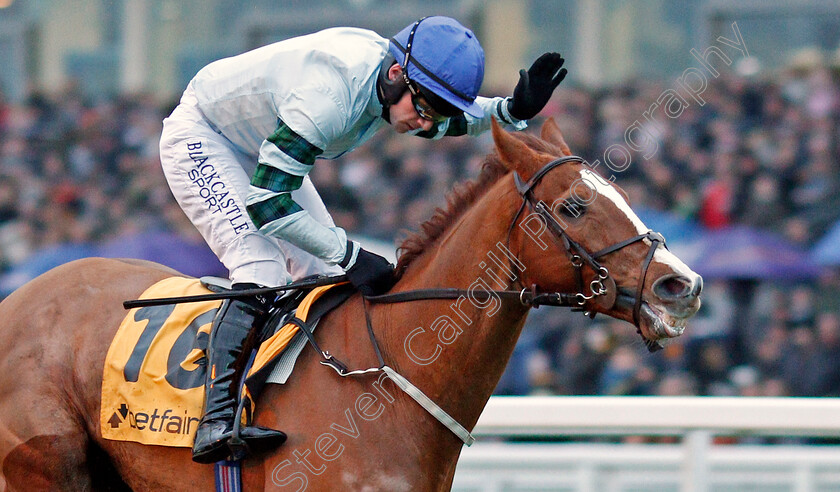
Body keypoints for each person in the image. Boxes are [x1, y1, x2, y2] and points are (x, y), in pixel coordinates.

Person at [159, 15, 566, 464]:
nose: (426, 125)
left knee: (320, 274)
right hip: (203, 135)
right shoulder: (328, 98)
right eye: (425, 109)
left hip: (257, 145)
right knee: (261, 267)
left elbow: (446, 120)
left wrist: (510, 111)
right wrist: (351, 253)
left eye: (438, 111)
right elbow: (268, 205)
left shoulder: (397, 83)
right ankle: (215, 420)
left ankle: (284, 403)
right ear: (396, 76)